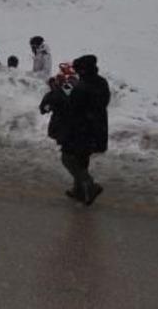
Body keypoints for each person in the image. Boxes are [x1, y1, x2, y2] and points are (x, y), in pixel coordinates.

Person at [61, 54, 109, 206]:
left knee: (68, 158)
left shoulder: (82, 87)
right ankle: (79, 190)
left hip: (81, 130)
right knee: (82, 159)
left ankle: (90, 186)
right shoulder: (101, 82)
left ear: (83, 70)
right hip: (96, 128)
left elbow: (72, 108)